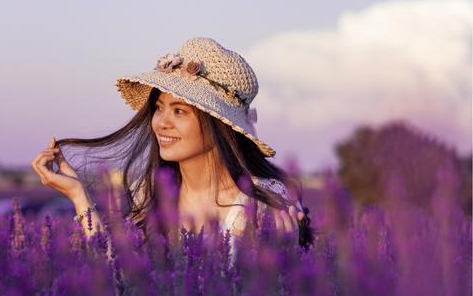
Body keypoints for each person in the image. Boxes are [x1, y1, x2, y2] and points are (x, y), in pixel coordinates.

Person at [30, 37, 314, 262]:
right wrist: (79, 196)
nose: (162, 123)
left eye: (180, 111)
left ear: (220, 125)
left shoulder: (260, 203)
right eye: (159, 108)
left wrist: (282, 263)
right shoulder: (151, 193)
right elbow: (120, 283)